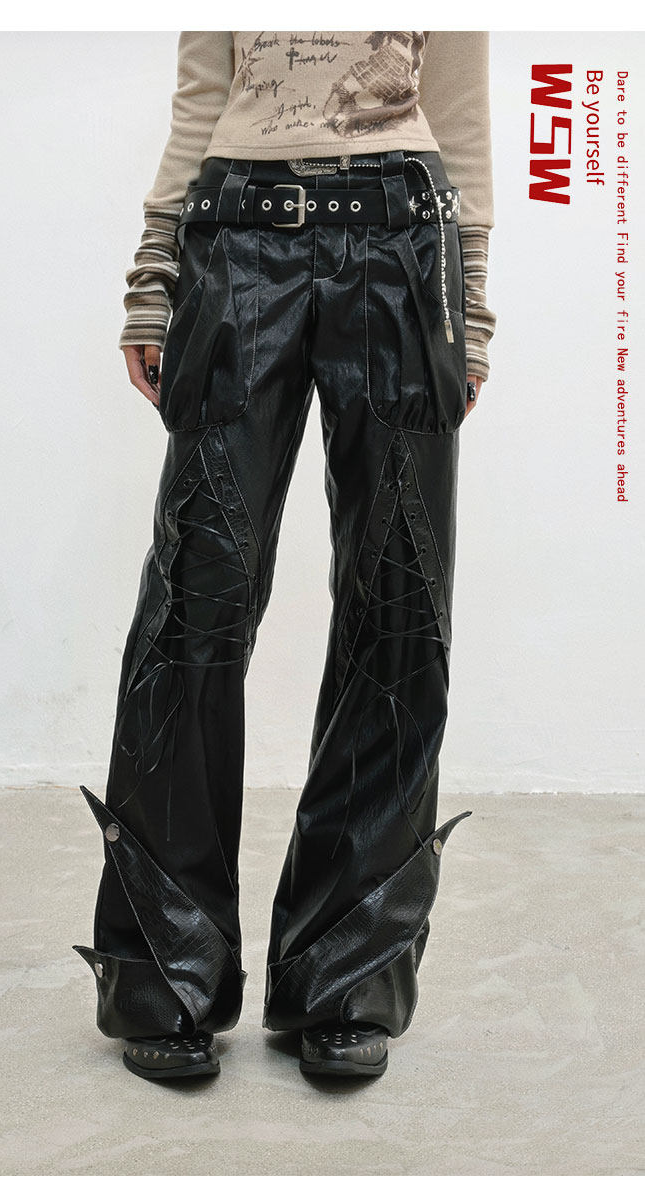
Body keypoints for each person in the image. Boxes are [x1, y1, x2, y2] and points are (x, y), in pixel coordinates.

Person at [73, 30, 496, 1082]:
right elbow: (201, 99)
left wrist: (472, 308)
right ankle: (164, 971)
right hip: (234, 246)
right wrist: (153, 276)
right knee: (196, 593)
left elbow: (460, 113)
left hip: (404, 249)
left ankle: (346, 976)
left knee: (399, 601)